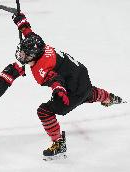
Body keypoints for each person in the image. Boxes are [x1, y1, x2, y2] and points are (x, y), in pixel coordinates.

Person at [12, 13, 125, 161]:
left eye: (25, 55)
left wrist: (59, 90)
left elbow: (55, 78)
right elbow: (30, 34)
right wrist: (22, 23)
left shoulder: (42, 66)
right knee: (88, 93)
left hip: (71, 88)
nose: (22, 57)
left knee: (44, 111)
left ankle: (58, 143)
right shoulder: (39, 43)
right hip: (80, 77)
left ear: (34, 55)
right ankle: (109, 98)